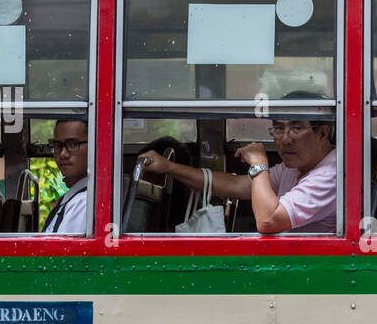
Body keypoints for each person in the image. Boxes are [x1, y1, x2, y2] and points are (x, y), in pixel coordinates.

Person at [136, 93, 336, 234]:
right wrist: (169, 167)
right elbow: (235, 185)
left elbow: (268, 221)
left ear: (322, 133)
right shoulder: (295, 167)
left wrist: (259, 163)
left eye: (296, 128)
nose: (285, 139)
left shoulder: (329, 175)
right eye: (278, 128)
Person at [43, 118, 91, 234]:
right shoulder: (75, 197)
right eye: (57, 145)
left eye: (73, 144)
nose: (63, 154)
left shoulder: (82, 202)